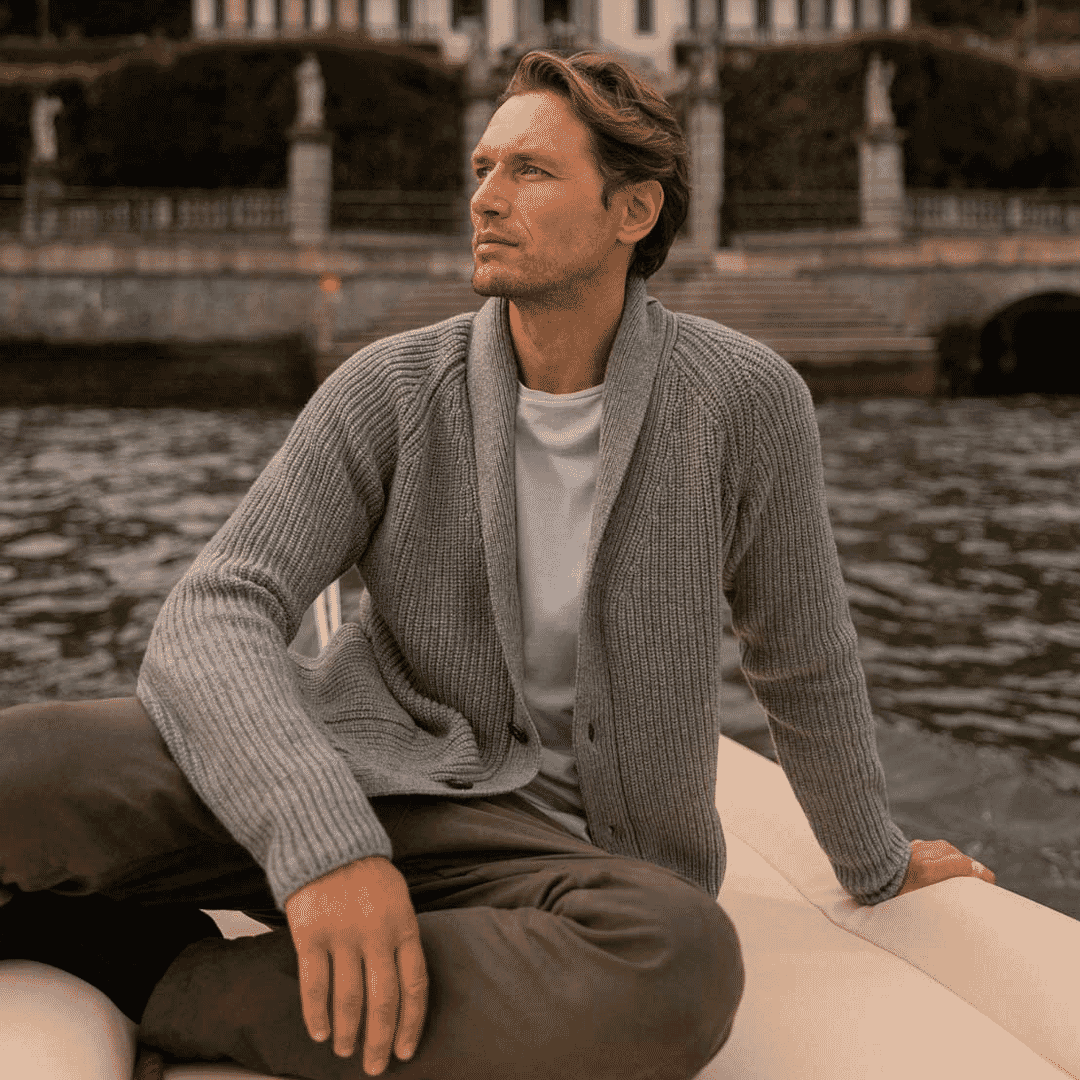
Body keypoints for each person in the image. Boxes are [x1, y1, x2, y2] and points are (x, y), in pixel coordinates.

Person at [0, 49, 995, 1080]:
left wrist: (874, 865)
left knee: (679, 964)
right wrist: (326, 840)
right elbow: (216, 609)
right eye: (482, 168)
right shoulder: (388, 386)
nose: (485, 198)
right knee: (20, 766)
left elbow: (803, 658)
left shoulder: (748, 404)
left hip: (565, 869)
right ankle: (327, 936)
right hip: (356, 763)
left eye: (528, 171)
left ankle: (156, 981)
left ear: (634, 212)